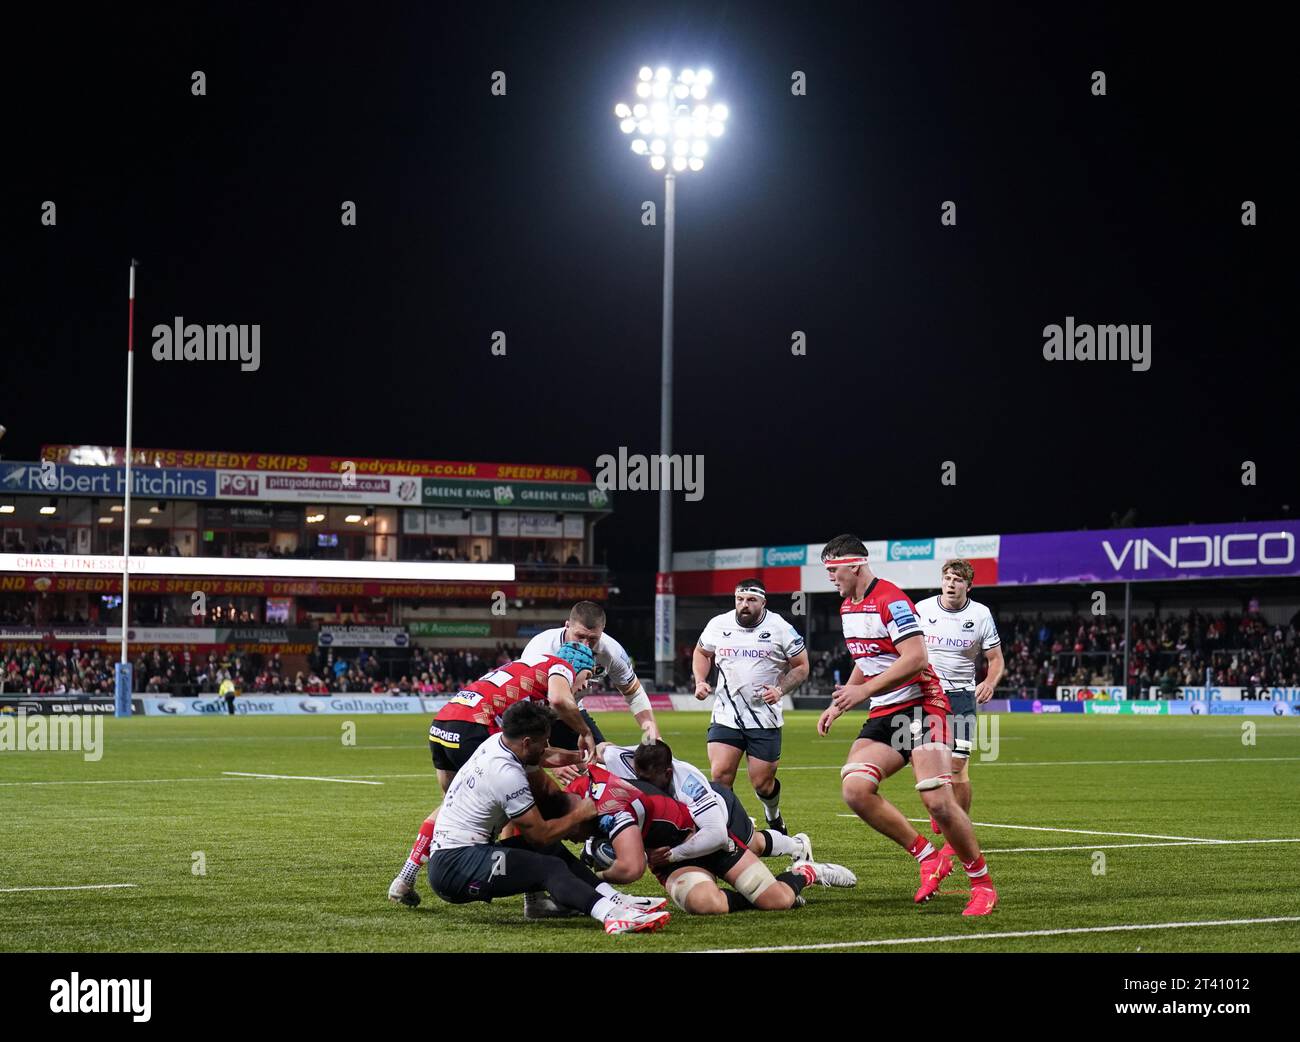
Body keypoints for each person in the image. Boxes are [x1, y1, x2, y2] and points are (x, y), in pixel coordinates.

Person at [816, 534, 998, 916]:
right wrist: (841, 703)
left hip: (922, 703)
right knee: (855, 789)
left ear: (855, 564)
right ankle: (928, 857)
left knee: (937, 800)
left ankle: (981, 884)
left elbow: (915, 658)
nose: (830, 577)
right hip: (885, 711)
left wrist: (862, 691)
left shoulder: (891, 599)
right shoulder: (849, 606)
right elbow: (866, 659)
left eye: (833, 570)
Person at [424, 701, 670, 935]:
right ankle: (612, 915)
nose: (546, 746)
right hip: (454, 867)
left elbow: (544, 755)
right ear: (527, 742)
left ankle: (614, 898)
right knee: (548, 866)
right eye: (543, 741)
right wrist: (579, 814)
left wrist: (579, 757)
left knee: (552, 852)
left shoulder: (500, 742)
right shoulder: (505, 774)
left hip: (464, 853)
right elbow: (539, 835)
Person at [387, 642, 597, 908]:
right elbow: (559, 699)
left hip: (445, 721)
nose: (586, 685)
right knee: (517, 800)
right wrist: (585, 733)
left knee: (453, 804)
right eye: (587, 676)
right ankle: (533, 898)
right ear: (576, 666)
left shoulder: (531, 666)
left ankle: (405, 877)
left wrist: (573, 757)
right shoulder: (562, 666)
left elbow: (541, 750)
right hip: (476, 723)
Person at [566, 753, 855, 915]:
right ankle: (755, 890)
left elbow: (714, 835)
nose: (641, 782)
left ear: (667, 773)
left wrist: (589, 881)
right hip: (675, 850)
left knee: (772, 892)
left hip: (713, 828)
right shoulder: (617, 765)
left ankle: (803, 871)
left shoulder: (687, 782)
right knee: (704, 904)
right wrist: (577, 756)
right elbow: (600, 750)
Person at [692, 578, 808, 834]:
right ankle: (729, 830)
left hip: (763, 719)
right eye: (739, 599)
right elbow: (702, 653)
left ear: (763, 602)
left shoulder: (780, 628)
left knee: (762, 784)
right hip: (726, 715)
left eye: (751, 600)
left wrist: (780, 690)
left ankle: (773, 815)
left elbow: (801, 666)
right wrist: (700, 681)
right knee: (720, 776)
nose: (744, 605)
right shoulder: (718, 624)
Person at [914, 558, 1004, 865]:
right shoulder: (922, 609)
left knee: (958, 763)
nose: (951, 584)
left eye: (958, 580)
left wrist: (990, 682)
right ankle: (940, 808)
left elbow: (995, 659)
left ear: (969, 585)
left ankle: (957, 825)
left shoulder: (980, 615)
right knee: (925, 760)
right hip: (926, 693)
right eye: (947, 578)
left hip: (962, 695)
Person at [523, 601, 658, 748]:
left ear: (602, 631)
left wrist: (654, 737)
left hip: (572, 710)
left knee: (600, 763)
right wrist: (548, 754)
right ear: (567, 625)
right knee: (532, 763)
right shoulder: (541, 649)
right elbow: (524, 703)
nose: (585, 645)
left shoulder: (611, 652)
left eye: (593, 639)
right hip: (534, 713)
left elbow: (634, 693)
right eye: (579, 636)